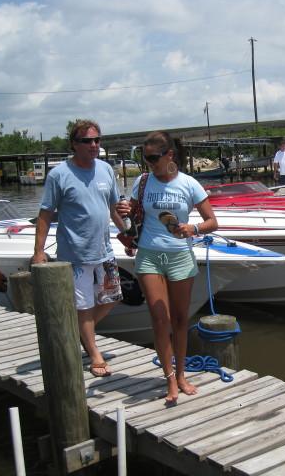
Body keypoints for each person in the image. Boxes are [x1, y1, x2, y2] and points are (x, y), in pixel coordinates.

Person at [117, 130, 218, 405]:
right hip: (149, 255)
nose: (149, 163)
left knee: (181, 320)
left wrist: (193, 228)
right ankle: (170, 378)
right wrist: (125, 215)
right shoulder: (143, 182)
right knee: (159, 318)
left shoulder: (189, 184)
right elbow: (132, 216)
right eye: (145, 158)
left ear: (169, 155)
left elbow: (212, 222)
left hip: (180, 256)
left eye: (153, 158)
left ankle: (182, 374)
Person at [32, 119, 127, 377]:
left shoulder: (106, 170)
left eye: (97, 140)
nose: (94, 145)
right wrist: (39, 251)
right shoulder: (59, 175)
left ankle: (78, 331)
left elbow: (113, 208)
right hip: (75, 254)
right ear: (74, 144)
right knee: (83, 307)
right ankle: (94, 354)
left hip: (104, 250)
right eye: (87, 141)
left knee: (113, 298)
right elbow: (45, 214)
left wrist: (127, 235)